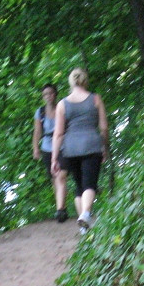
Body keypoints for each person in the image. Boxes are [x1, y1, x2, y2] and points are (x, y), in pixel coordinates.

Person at [51, 68, 108, 232]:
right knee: (90, 184)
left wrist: (55, 158)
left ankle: (84, 227)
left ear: (71, 82)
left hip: (71, 148)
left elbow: (58, 133)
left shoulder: (62, 104)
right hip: (91, 145)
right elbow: (103, 127)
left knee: (79, 187)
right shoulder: (96, 99)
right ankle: (85, 214)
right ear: (85, 81)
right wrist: (104, 146)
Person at [32, 84, 69, 222]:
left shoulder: (63, 107)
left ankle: (60, 210)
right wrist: (35, 148)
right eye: (45, 94)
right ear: (43, 97)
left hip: (64, 146)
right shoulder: (40, 112)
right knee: (55, 179)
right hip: (47, 147)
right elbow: (37, 131)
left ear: (55, 94)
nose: (48, 96)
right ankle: (61, 208)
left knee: (62, 176)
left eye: (51, 93)